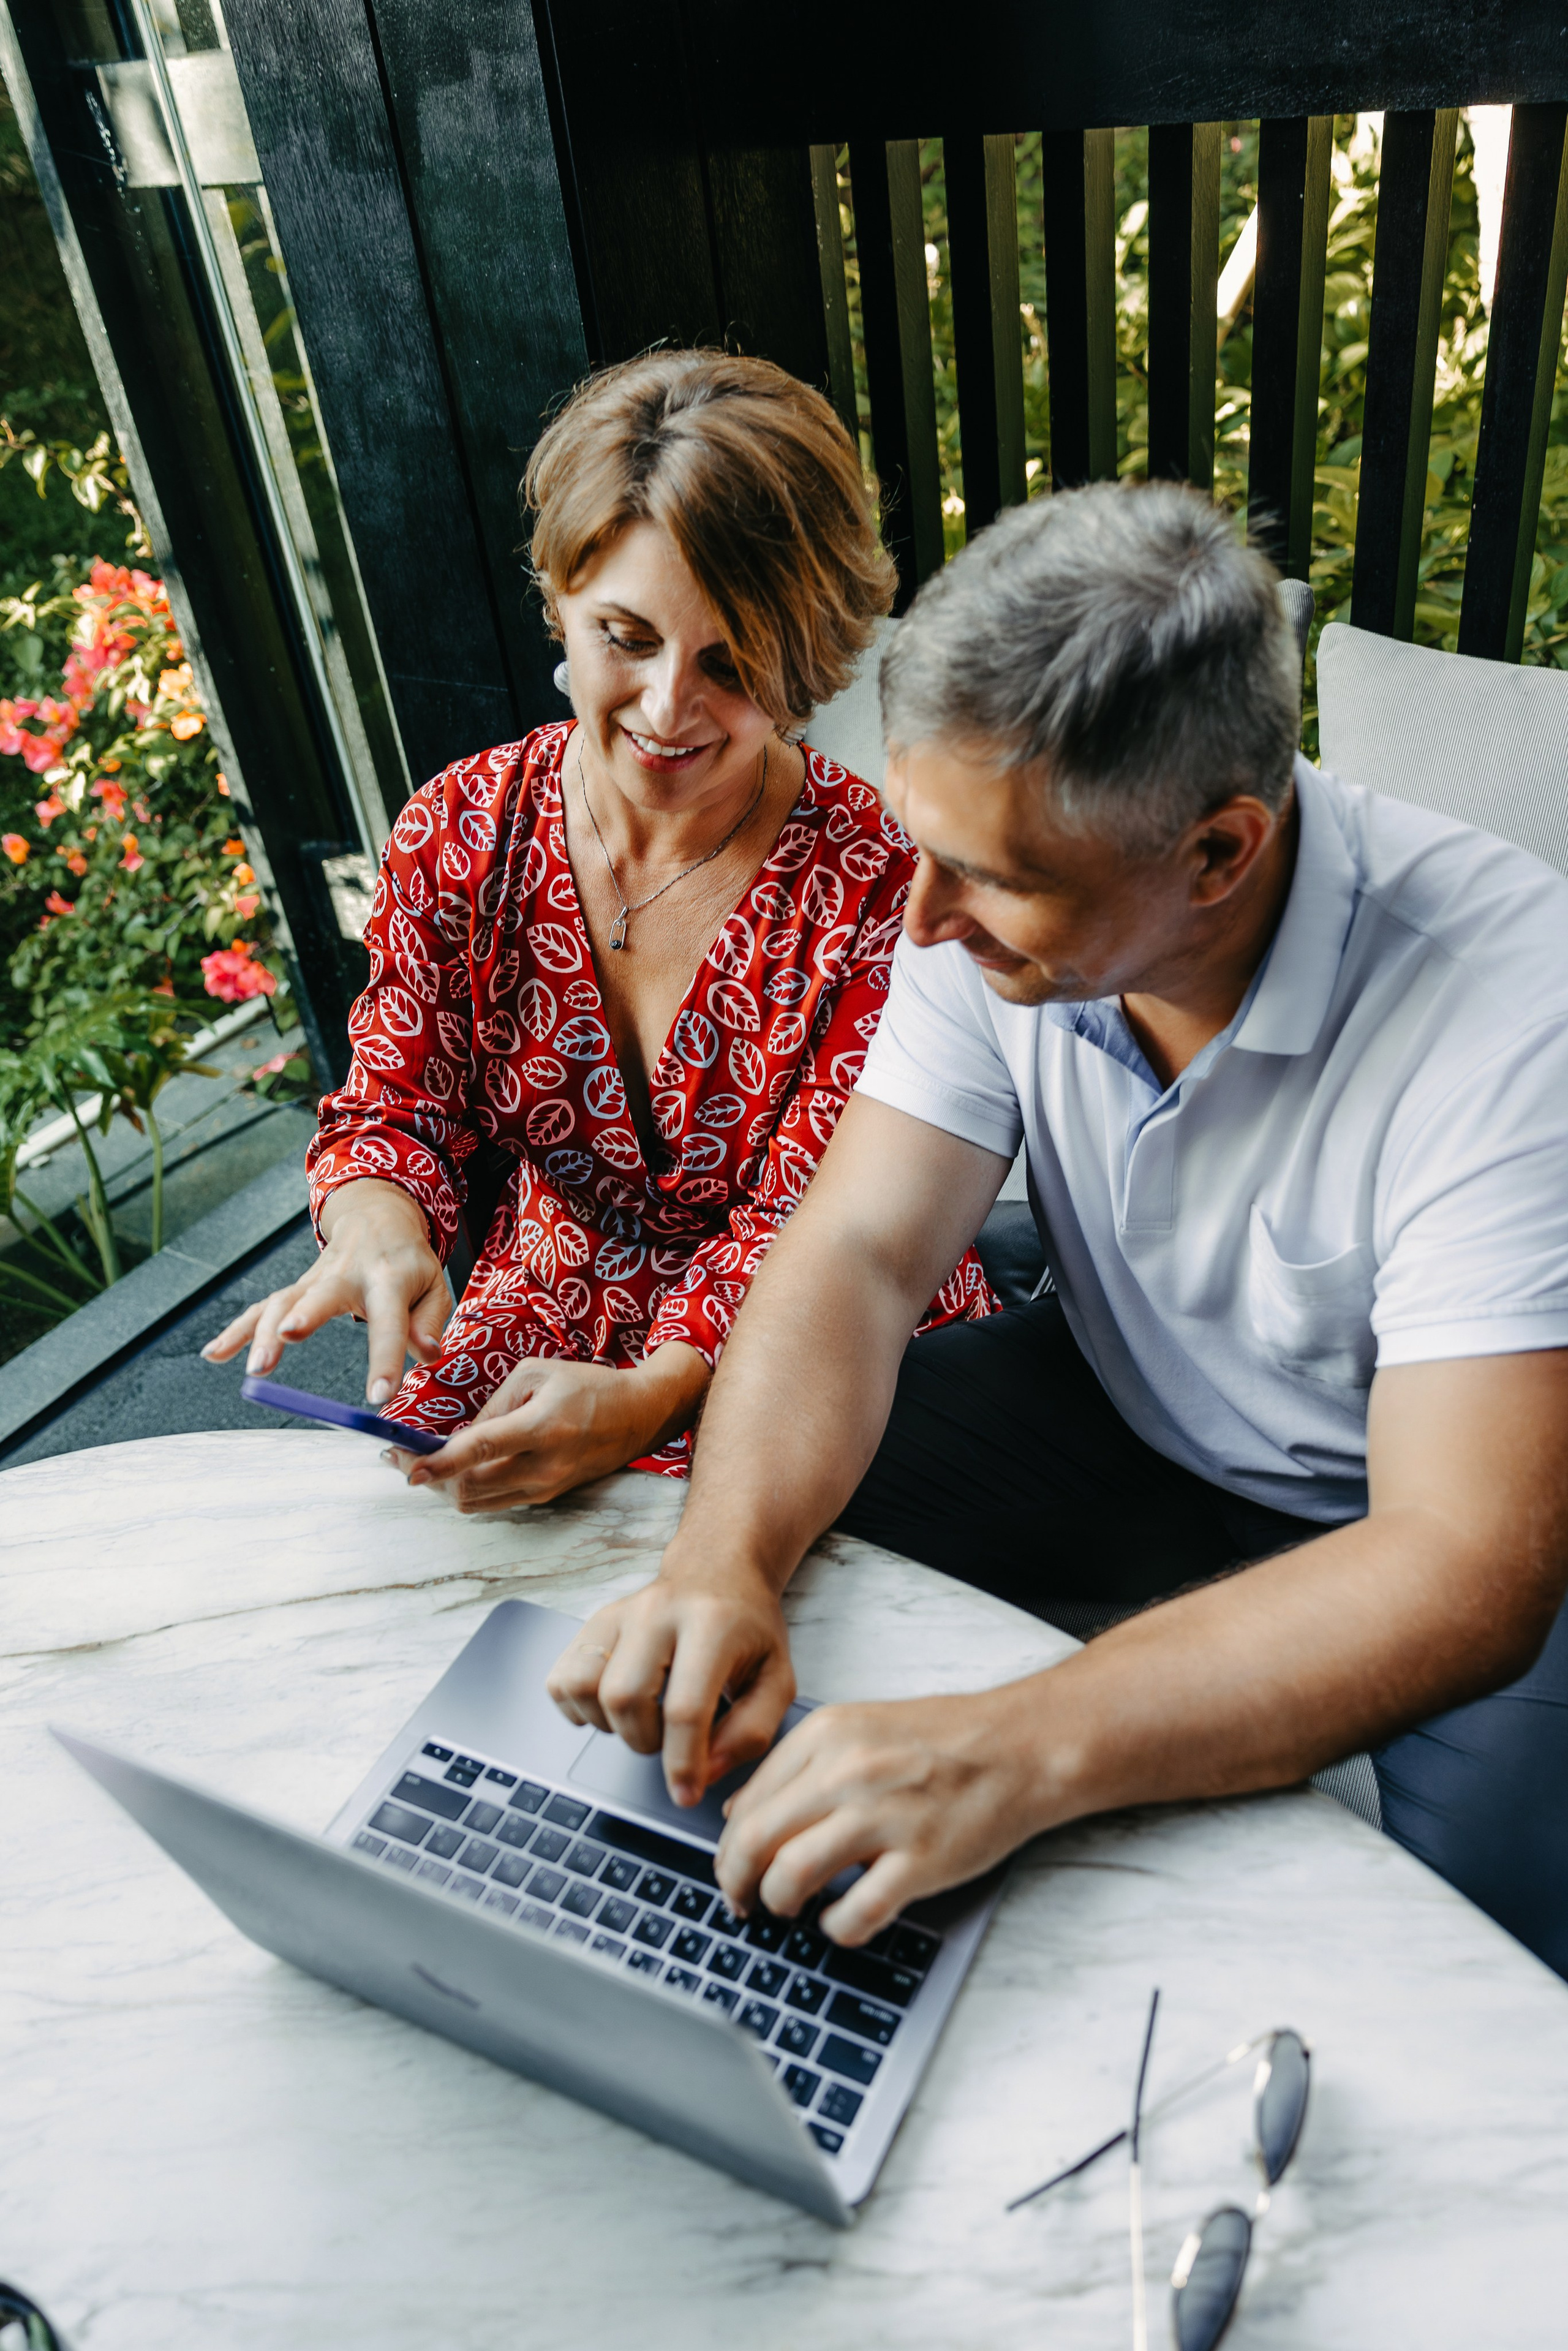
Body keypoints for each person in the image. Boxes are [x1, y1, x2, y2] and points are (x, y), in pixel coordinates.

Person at [548, 481, 1568, 1980]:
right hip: (1122, 1403)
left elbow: (1462, 1558)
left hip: (1429, 1513)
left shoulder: (1514, 1009)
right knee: (718, 1523)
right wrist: (722, 1561)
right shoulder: (976, 890)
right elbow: (859, 1253)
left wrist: (1005, 1750)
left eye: (993, 879)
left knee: (1462, 1973)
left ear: (1215, 854)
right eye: (923, 845)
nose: (918, 918)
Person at [203, 352, 993, 1499]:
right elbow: (396, 1104)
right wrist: (377, 1223)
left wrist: (653, 1394)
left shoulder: (877, 885)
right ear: (558, 606)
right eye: (625, 636)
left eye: (732, 659)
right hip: (538, 1319)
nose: (669, 708)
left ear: (806, 654)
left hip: (814, 1345)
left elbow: (820, 1227)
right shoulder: (462, 829)